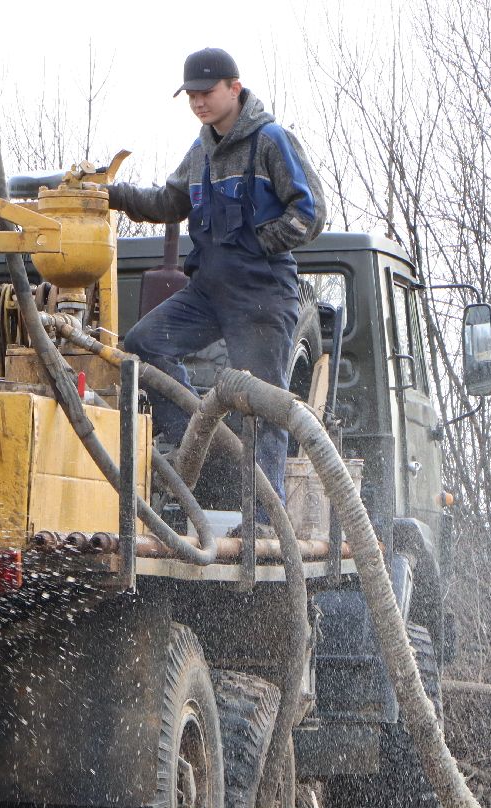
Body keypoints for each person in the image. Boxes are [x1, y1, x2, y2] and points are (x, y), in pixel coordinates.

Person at [107, 47, 325, 516]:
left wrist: (257, 243)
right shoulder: (201, 148)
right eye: (190, 96)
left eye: (206, 93)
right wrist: (112, 196)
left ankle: (267, 520)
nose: (198, 102)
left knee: (263, 406)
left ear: (234, 88)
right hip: (209, 293)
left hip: (263, 294)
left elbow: (310, 214)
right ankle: (200, 436)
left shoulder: (271, 141)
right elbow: (169, 202)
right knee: (145, 342)